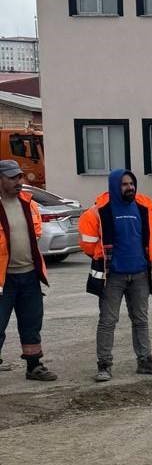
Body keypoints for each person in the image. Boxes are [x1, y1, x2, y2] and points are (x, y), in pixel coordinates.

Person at [78, 168, 152, 381]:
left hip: (140, 273)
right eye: (125, 184)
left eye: (132, 184)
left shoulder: (144, 208)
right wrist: (106, 259)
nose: (130, 187)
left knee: (141, 319)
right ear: (114, 186)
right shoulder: (99, 211)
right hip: (113, 276)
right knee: (108, 321)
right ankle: (104, 365)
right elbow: (88, 245)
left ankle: (144, 360)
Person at [0, 159, 55, 381]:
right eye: (12, 178)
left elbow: (36, 235)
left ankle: (34, 366)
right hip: (3, 280)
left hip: (30, 275)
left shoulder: (28, 203)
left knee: (32, 323)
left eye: (19, 177)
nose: (19, 182)